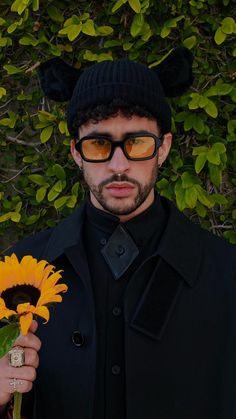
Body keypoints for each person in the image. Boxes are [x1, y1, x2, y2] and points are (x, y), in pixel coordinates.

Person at [0, 47, 236, 419]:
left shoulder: (227, 274)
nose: (119, 164)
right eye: (98, 143)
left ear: (164, 148)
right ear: (76, 152)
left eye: (137, 142)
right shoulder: (18, 272)